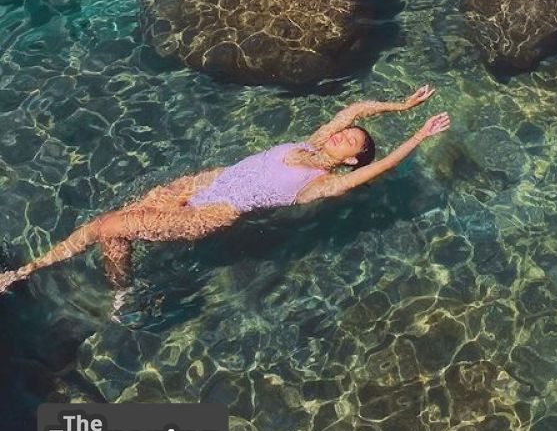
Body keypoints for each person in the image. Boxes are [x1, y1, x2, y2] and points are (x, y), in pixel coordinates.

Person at [0, 85, 449, 294]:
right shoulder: (312, 143)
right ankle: (42, 274)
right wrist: (401, 106)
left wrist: (419, 135)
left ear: (349, 161)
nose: (342, 134)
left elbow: (381, 165)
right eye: (344, 133)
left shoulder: (322, 184)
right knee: (108, 226)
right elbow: (355, 108)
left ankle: (99, 288)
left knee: (113, 227)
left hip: (214, 211)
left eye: (348, 142)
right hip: (203, 182)